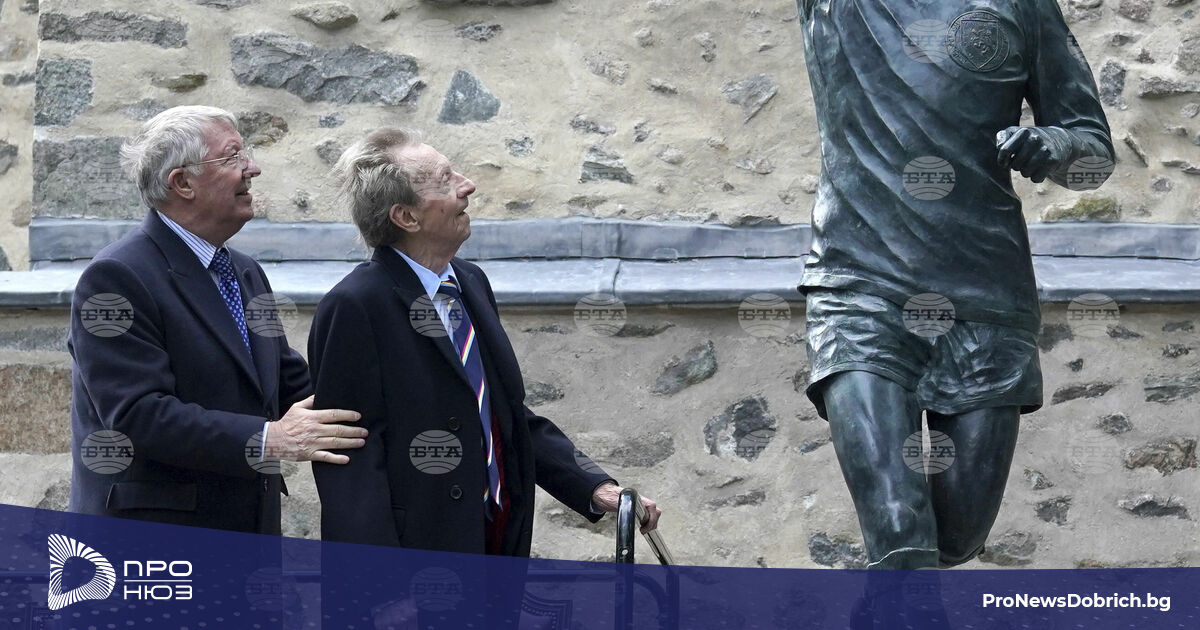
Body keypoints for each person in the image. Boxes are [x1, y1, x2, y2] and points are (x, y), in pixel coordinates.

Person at [796, 1, 1114, 570]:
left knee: (959, 536)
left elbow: (1094, 148)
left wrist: (1057, 145)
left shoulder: (1023, 6)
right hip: (861, 284)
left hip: (987, 294)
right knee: (899, 528)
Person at [309, 127, 661, 555]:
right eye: (445, 180)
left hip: (496, 541)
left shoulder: (469, 281)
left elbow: (501, 413)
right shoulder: (356, 305)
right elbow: (349, 461)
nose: (468, 185)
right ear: (407, 217)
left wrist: (593, 486)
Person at [68, 105, 366, 534]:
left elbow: (287, 384)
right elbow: (138, 415)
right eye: (232, 157)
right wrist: (270, 440)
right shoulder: (116, 278)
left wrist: (393, 397)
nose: (252, 169)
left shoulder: (244, 271)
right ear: (182, 183)